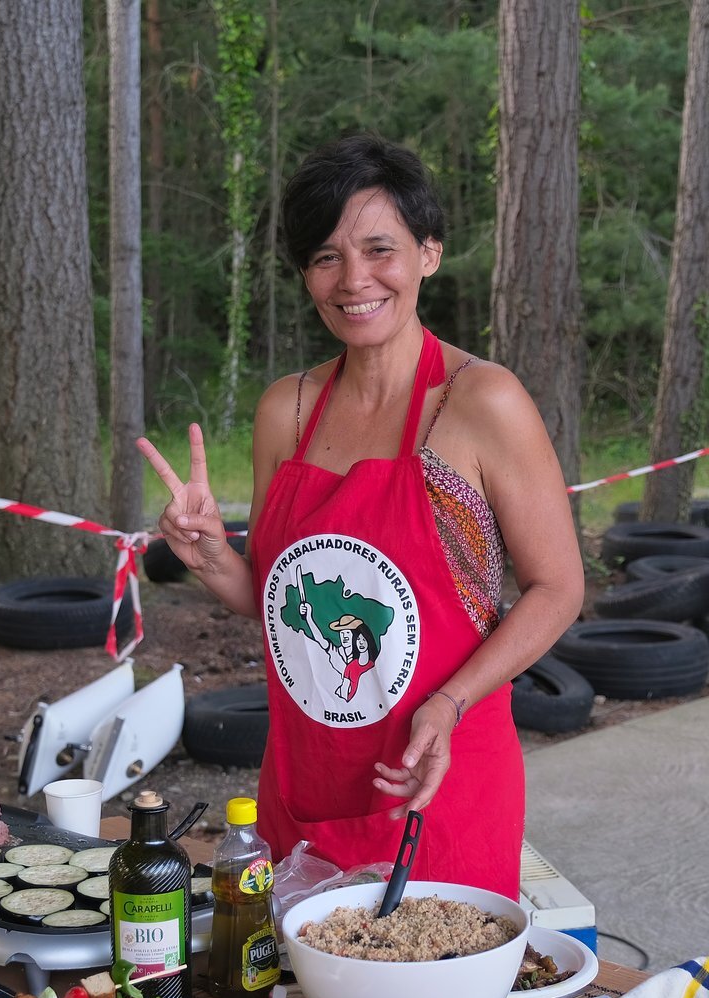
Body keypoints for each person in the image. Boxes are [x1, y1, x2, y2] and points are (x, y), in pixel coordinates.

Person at [138, 133, 584, 899]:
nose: (354, 280)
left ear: (428, 255)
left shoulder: (483, 403)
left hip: (437, 787)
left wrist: (447, 701)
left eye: (380, 249)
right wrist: (211, 556)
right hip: (305, 782)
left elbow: (557, 588)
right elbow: (284, 604)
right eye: (325, 257)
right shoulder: (289, 408)